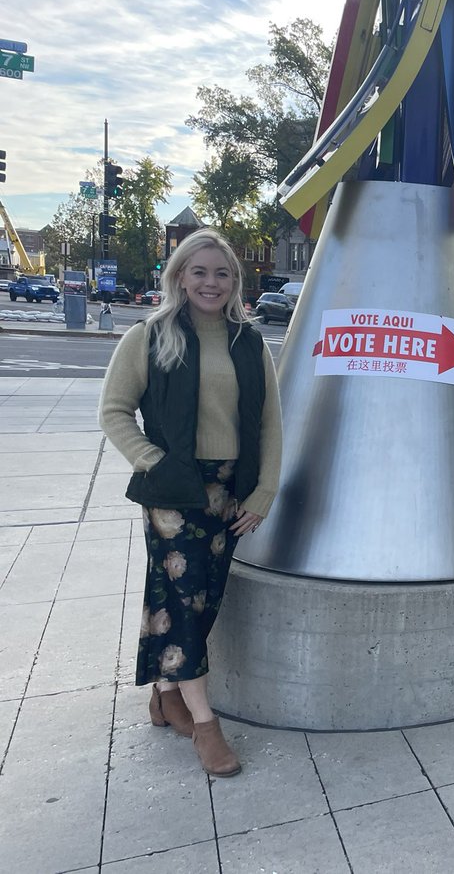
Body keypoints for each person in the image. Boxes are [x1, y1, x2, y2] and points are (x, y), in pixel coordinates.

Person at [99, 228, 282, 777]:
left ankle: (165, 691)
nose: (210, 282)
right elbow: (114, 412)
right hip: (173, 492)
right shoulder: (150, 335)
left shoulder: (249, 343)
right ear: (179, 275)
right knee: (185, 597)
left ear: (235, 282)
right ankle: (205, 723)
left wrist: (264, 491)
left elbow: (271, 424)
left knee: (199, 598)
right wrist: (156, 462)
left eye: (222, 273)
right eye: (199, 271)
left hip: (231, 490)